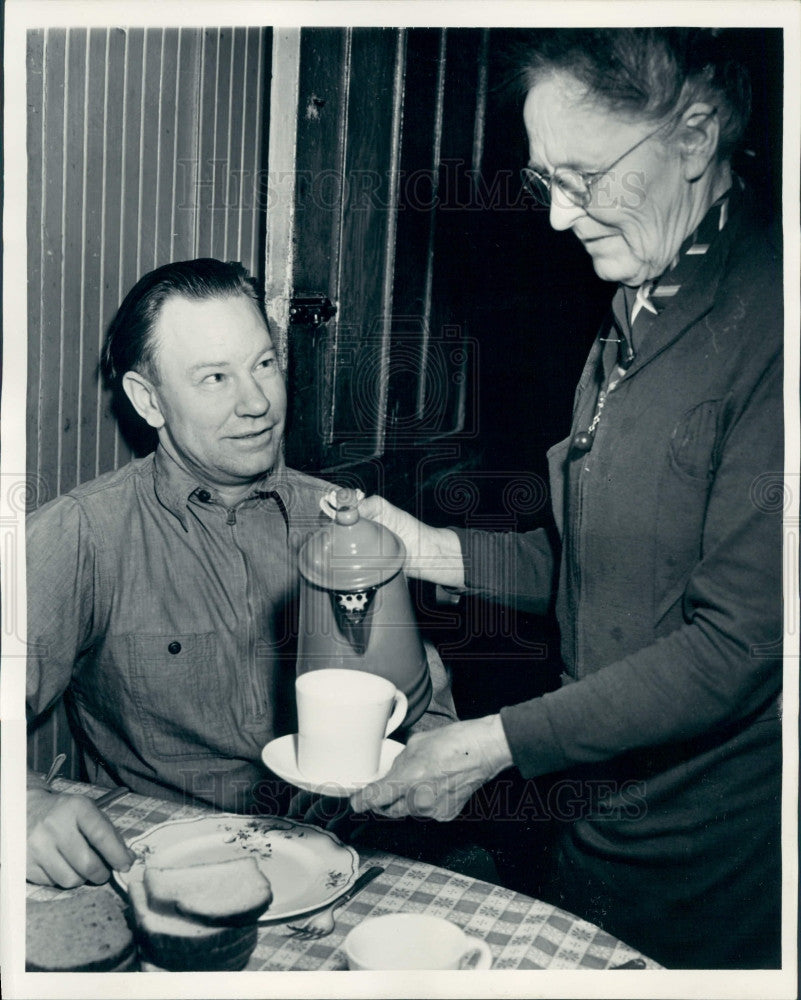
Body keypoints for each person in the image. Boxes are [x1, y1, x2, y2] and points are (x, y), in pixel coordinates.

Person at [344, 29, 783, 969]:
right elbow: (602, 565)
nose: (557, 218)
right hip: (594, 818)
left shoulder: (773, 329)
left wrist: (486, 746)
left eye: (583, 177)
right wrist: (424, 549)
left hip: (713, 861)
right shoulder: (635, 306)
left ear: (696, 133)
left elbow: (736, 646)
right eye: (547, 182)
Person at [26, 258, 457, 890]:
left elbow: (422, 706)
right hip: (173, 871)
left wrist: (433, 752)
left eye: (264, 364)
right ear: (149, 400)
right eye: (214, 378)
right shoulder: (82, 535)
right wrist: (24, 801)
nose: (256, 402)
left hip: (356, 858)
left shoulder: (343, 520)